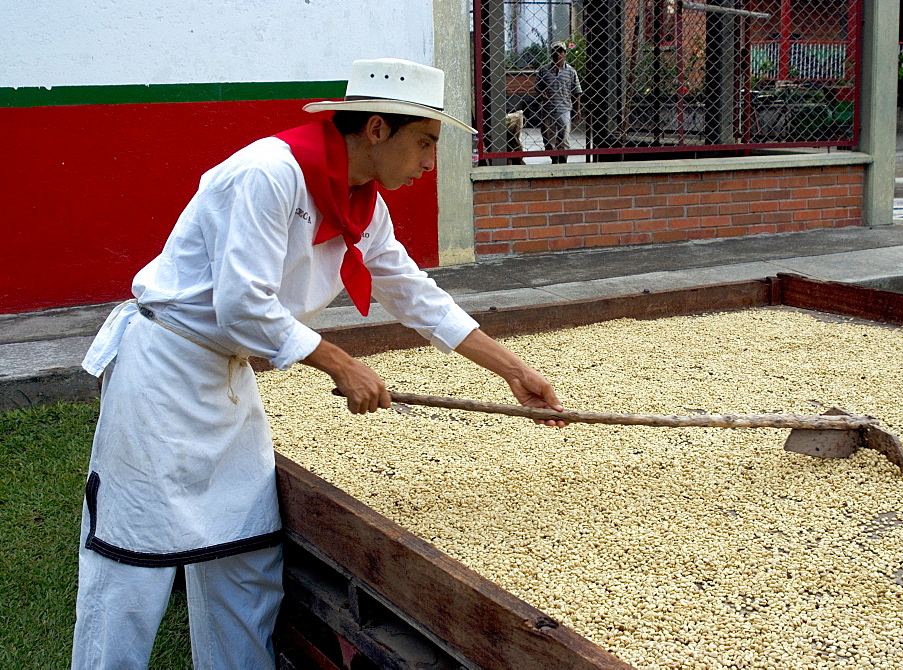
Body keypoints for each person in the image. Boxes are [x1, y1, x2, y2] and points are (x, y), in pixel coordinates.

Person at [72, 58, 565, 669]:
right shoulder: (268, 175)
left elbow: (413, 293)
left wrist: (512, 370)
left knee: (244, 552)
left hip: (226, 377)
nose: (430, 163)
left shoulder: (363, 206)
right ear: (378, 129)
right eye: (425, 143)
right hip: (165, 370)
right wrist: (338, 362)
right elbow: (241, 302)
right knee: (134, 558)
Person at [535, 41, 582, 164]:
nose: (558, 54)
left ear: (565, 53)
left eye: (561, 51)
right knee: (548, 137)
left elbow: (577, 91)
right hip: (547, 109)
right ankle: (554, 158)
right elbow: (537, 87)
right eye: (555, 51)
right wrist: (541, 93)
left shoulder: (571, 72)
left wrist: (577, 109)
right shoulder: (543, 70)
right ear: (551, 54)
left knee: (564, 138)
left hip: (564, 108)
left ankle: (562, 159)